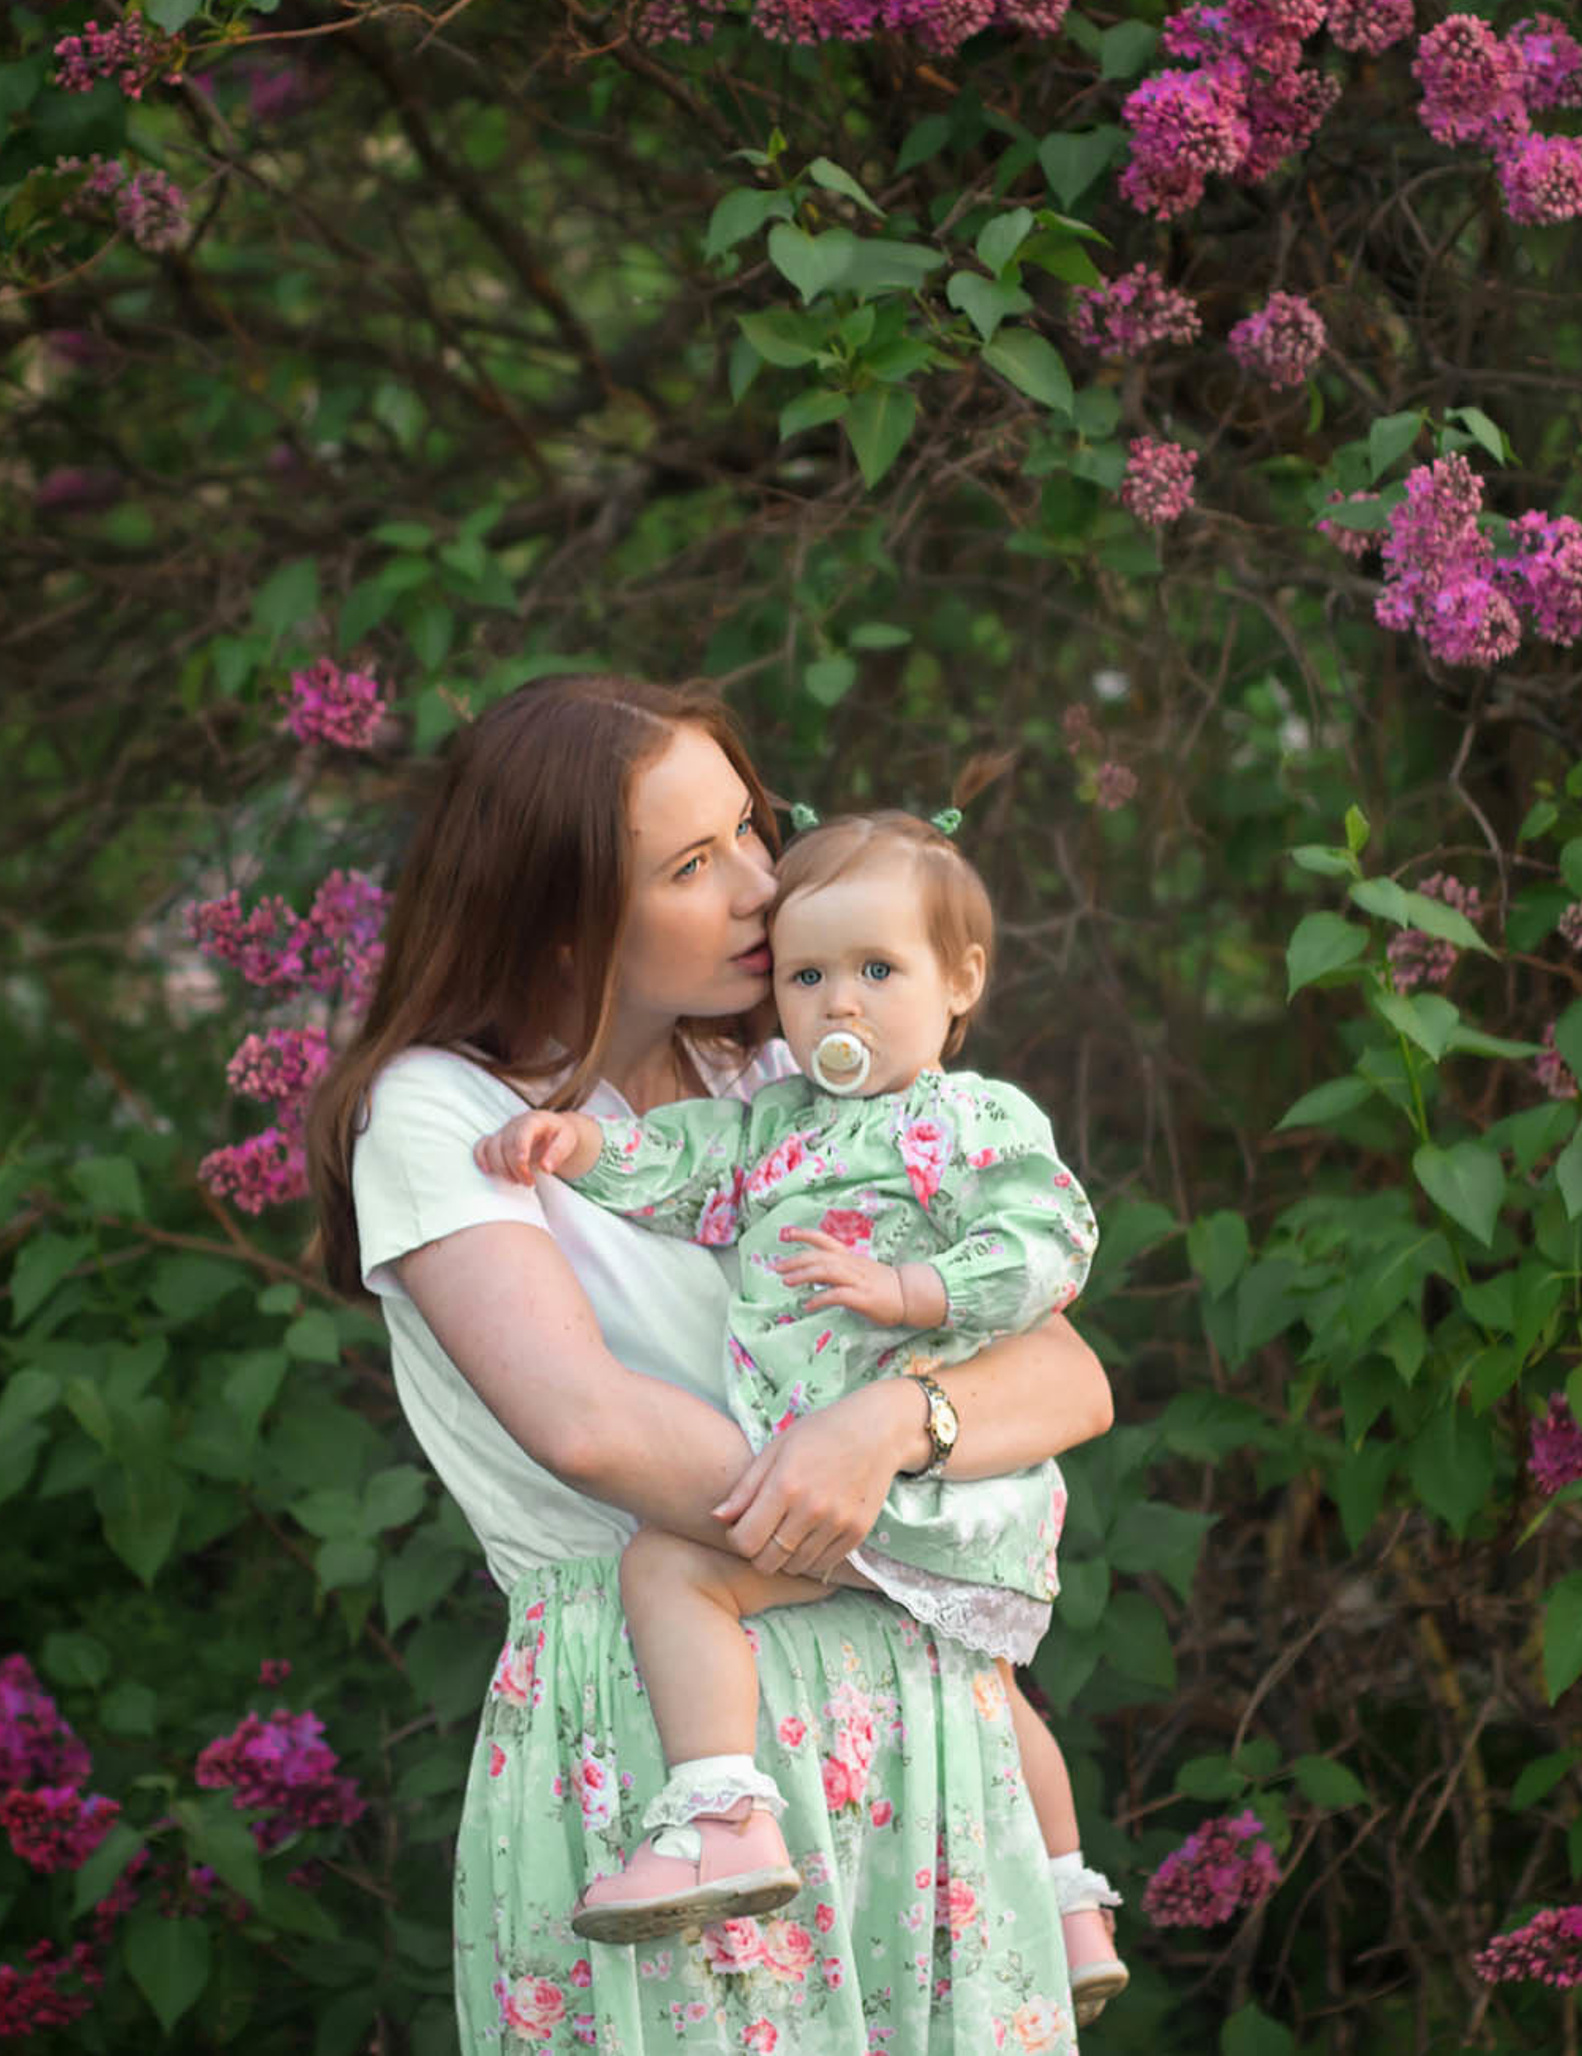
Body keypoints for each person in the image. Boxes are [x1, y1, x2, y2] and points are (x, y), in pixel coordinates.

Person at [304, 675, 1117, 2053]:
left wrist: (889, 1428)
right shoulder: (446, 1114)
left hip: (919, 1716)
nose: (762, 887)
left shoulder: (800, 1089)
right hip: (670, 1727)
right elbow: (590, 1425)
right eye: (695, 865)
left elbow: (1068, 1381)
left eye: (751, 829)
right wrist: (923, 1507)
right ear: (562, 919)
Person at [472, 795, 1127, 2016]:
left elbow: (1054, 1240)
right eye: (809, 973)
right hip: (859, 1475)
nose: (838, 1004)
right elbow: (682, 1165)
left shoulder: (967, 1119)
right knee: (978, 1669)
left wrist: (913, 1287)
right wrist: (584, 1152)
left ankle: (720, 1814)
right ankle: (1072, 1905)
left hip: (919, 1472)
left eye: (878, 970)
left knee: (675, 1571)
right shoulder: (774, 1122)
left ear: (960, 979)